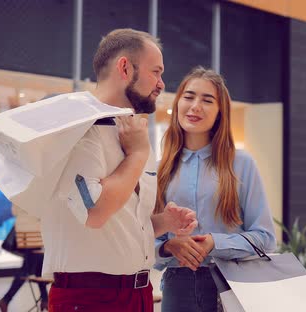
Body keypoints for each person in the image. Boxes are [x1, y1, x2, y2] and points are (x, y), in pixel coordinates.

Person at [40, 29, 198, 312]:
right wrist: (137, 155)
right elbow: (94, 211)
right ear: (125, 67)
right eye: (156, 72)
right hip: (88, 299)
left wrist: (164, 223)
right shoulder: (77, 127)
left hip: (138, 294)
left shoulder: (132, 131)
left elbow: (124, 222)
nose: (162, 84)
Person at [154, 67, 277, 312]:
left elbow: (265, 238)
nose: (195, 106)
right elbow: (150, 238)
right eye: (188, 97)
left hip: (233, 285)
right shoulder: (160, 169)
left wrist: (214, 243)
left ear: (221, 112)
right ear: (178, 103)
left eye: (207, 100)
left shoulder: (241, 164)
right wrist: (168, 247)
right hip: (178, 287)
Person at [0, 206, 48, 312]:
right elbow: (42, 212)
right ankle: (5, 300)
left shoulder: (19, 191)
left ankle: (45, 300)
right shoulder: (37, 193)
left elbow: (13, 211)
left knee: (38, 269)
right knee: (26, 270)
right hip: (34, 233)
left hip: (22, 233)